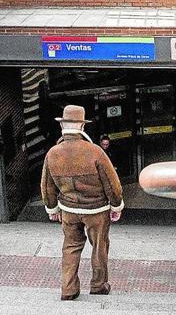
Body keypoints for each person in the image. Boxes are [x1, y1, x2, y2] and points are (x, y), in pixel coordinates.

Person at [41, 104, 124, 300]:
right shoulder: (95, 152)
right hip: (96, 211)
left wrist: (52, 208)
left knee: (70, 247)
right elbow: (113, 184)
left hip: (68, 210)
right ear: (82, 127)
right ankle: (98, 285)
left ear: (63, 127)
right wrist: (116, 205)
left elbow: (46, 186)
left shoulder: (52, 153)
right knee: (99, 247)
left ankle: (68, 290)